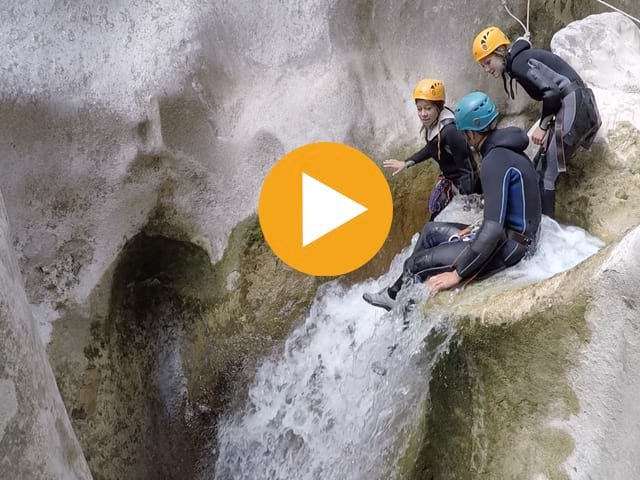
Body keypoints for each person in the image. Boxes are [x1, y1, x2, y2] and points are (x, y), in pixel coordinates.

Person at [363, 92, 541, 311]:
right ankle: (393, 295)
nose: (464, 139)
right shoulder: (505, 149)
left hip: (511, 247)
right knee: (430, 231)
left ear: (472, 133)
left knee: (415, 264)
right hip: (511, 236)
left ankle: (405, 311)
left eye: (464, 133)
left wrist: (458, 273)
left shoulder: (494, 161)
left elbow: (493, 230)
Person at [472, 27, 601, 218]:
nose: (487, 69)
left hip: (574, 103)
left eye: (488, 62)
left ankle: (547, 231)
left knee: (545, 174)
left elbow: (551, 93)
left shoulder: (519, 63)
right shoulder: (520, 59)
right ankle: (544, 224)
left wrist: (542, 127)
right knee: (539, 165)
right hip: (578, 103)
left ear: (500, 52)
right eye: (483, 65)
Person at [384, 78, 480, 220]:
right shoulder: (434, 126)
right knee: (434, 219)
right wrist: (407, 162)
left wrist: (464, 203)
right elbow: (431, 148)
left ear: (438, 107)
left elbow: (468, 170)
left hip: (467, 188)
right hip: (452, 183)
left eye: (428, 108)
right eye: (419, 109)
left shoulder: (450, 131)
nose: (423, 114)